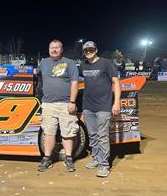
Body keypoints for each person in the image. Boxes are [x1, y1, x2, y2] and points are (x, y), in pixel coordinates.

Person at [34, 39, 79, 172]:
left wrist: (72, 102)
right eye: (52, 47)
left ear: (61, 49)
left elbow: (75, 84)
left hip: (66, 104)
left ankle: (69, 158)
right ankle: (47, 158)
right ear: (49, 49)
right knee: (49, 132)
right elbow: (36, 73)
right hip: (48, 104)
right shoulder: (44, 62)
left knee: (68, 133)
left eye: (57, 47)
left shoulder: (70, 63)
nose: (54, 49)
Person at [79, 41, 121, 178]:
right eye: (86, 50)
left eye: (91, 49)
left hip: (103, 106)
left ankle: (104, 165)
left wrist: (116, 103)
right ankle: (96, 159)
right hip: (88, 107)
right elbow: (73, 80)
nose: (88, 51)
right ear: (84, 52)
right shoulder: (83, 65)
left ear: (96, 50)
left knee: (103, 136)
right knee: (92, 135)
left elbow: (116, 82)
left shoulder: (106, 63)